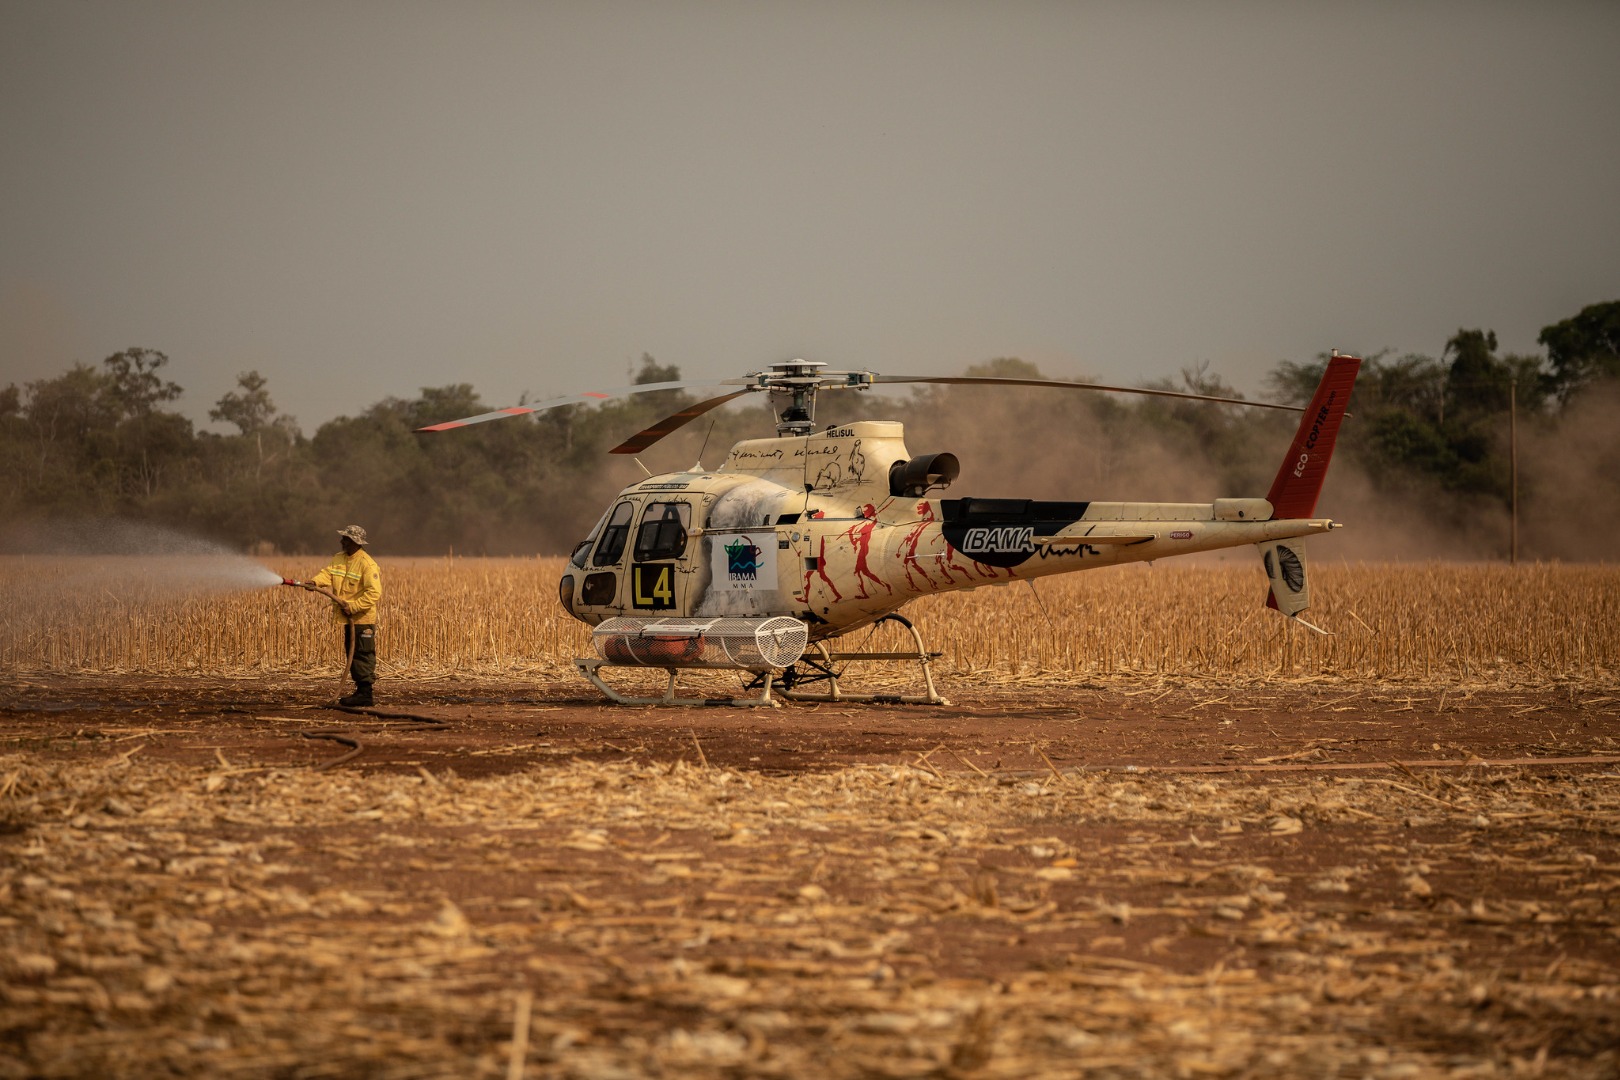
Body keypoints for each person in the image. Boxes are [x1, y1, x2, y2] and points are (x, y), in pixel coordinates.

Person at [306, 525, 383, 706]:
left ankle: (365, 693)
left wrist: (354, 607)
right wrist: (315, 581)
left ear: (355, 542)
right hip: (348, 619)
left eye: (346, 539)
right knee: (351, 652)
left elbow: (374, 593)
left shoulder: (367, 564)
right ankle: (361, 692)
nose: (342, 541)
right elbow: (329, 574)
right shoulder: (339, 558)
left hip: (362, 619)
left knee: (362, 654)